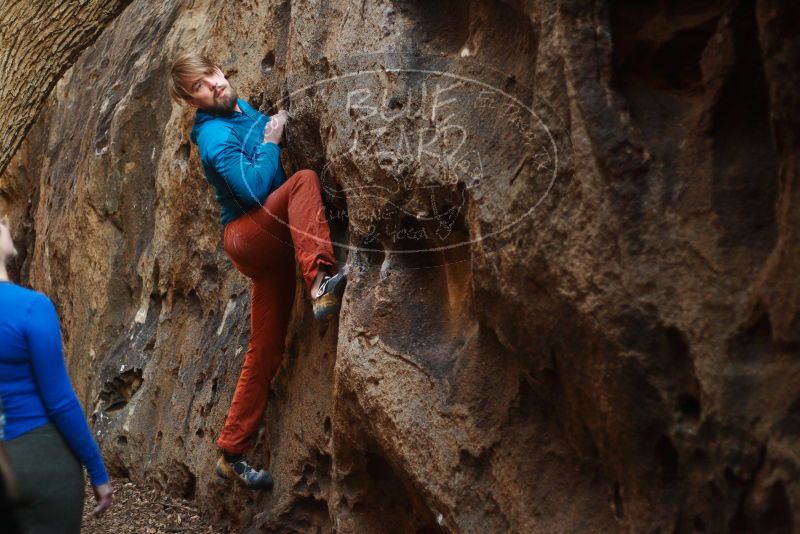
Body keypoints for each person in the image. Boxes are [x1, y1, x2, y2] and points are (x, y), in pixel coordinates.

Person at [168, 53, 346, 490]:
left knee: (264, 347)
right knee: (303, 180)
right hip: (248, 235)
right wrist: (271, 141)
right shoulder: (211, 137)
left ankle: (232, 451)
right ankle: (321, 281)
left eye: (210, 74)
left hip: (272, 238)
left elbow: (261, 140)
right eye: (199, 87)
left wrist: (273, 123)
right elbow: (254, 189)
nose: (212, 84)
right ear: (193, 101)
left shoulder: (241, 107)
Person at [0, 215, 113, 531]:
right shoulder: (32, 307)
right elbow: (60, 400)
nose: (6, 223)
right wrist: (98, 471)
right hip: (43, 462)